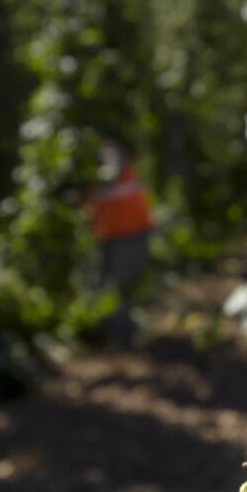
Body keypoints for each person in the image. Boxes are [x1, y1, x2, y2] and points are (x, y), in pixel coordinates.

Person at [87, 140, 155, 345]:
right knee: (103, 283)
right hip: (108, 236)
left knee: (124, 283)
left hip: (132, 234)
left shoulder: (127, 177)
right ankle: (105, 328)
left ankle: (124, 331)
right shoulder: (97, 181)